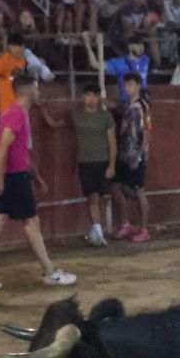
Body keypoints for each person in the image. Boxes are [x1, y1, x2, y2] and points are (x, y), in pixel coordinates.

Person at [0, 73, 77, 288]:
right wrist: (0, 178)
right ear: (26, 90)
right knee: (31, 222)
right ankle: (50, 272)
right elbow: (4, 147)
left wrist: (33, 177)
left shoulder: (16, 113)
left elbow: (15, 150)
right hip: (13, 176)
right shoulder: (17, 114)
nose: (38, 92)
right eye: (36, 88)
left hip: (13, 174)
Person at [71, 81, 116, 245]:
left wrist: (111, 165)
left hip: (102, 160)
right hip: (86, 161)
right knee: (93, 197)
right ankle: (97, 230)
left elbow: (112, 142)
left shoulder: (105, 116)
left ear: (98, 98)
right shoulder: (76, 115)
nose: (91, 99)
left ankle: (96, 229)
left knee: (102, 197)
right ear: (83, 97)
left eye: (94, 96)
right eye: (88, 95)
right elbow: (56, 124)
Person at [113, 72, 153, 243]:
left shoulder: (142, 106)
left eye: (130, 84)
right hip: (124, 153)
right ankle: (125, 224)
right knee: (116, 187)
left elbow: (148, 134)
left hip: (135, 154)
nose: (126, 87)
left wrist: (138, 156)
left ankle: (144, 229)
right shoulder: (129, 106)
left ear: (138, 86)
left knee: (138, 190)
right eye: (125, 84)